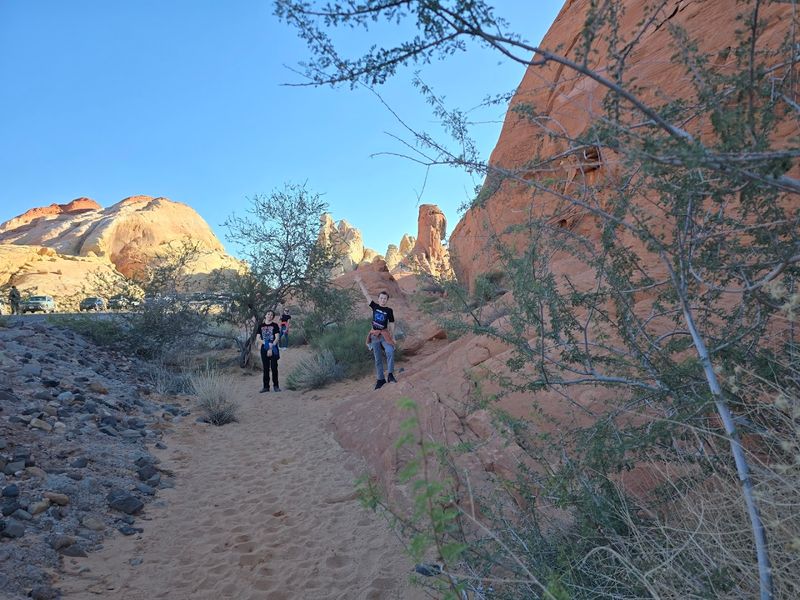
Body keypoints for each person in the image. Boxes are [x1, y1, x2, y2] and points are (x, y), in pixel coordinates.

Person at [355, 274, 397, 390]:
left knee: (390, 351)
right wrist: (360, 282)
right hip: (374, 336)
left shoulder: (389, 310)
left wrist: (392, 337)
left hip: (384, 335)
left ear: (387, 300)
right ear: (378, 299)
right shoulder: (374, 306)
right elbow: (366, 295)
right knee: (377, 358)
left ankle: (390, 375)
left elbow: (392, 323)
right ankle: (380, 379)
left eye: (385, 299)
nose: (383, 300)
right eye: (381, 298)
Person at [258, 310, 281, 393]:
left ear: (273, 317)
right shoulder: (260, 326)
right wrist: (265, 343)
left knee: (274, 368)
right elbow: (258, 338)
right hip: (264, 349)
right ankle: (266, 387)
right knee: (266, 368)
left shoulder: (275, 325)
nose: (270, 316)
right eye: (268, 314)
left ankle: (276, 386)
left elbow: (277, 337)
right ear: (265, 315)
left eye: (271, 315)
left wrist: (271, 346)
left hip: (273, 348)